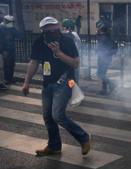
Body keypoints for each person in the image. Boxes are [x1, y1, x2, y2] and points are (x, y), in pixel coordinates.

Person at [21, 16, 91, 156]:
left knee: (57, 115)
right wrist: (26, 82)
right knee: (47, 116)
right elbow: (34, 62)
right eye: (49, 32)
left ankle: (83, 137)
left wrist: (58, 53)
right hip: (47, 83)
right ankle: (54, 146)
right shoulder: (40, 42)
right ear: (43, 32)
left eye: (56, 30)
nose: (54, 34)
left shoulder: (67, 41)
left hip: (66, 81)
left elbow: (75, 64)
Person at [96, 21, 117, 95]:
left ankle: (112, 84)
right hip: (105, 58)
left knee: (100, 74)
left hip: (104, 59)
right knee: (102, 74)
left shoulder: (104, 37)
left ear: (101, 29)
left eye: (98, 28)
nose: (97, 29)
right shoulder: (105, 36)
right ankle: (104, 90)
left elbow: (102, 48)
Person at [0, 15, 21, 85]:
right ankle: (6, 79)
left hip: (11, 49)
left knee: (11, 65)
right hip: (5, 50)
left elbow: (19, 35)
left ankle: (9, 79)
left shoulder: (11, 28)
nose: (11, 23)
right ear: (5, 21)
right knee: (7, 65)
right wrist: (2, 50)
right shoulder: (1, 28)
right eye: (10, 21)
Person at [62, 18, 81, 83]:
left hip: (66, 59)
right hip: (75, 58)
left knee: (66, 79)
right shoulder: (75, 35)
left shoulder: (66, 35)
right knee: (74, 79)